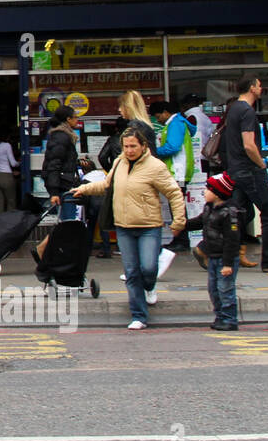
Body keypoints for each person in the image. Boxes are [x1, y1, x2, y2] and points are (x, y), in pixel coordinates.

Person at [71, 128, 186, 330]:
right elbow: (107, 185)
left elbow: (174, 193)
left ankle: (149, 287)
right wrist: (84, 188)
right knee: (132, 272)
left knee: (149, 268)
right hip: (123, 226)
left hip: (149, 226)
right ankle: (139, 316)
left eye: (133, 146)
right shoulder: (119, 163)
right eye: (126, 147)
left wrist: (179, 222)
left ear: (143, 146)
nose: (129, 150)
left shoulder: (155, 167)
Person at [223, 75, 268, 274]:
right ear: (252, 88)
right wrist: (261, 164)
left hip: (236, 170)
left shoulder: (234, 108)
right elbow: (249, 145)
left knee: (237, 214)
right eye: (259, 85)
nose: (261, 88)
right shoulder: (246, 111)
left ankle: (206, 248)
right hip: (250, 170)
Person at [184, 173, 245, 331]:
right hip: (212, 256)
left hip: (225, 259)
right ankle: (220, 316)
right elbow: (199, 222)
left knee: (225, 289)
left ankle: (230, 319)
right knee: (214, 290)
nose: (204, 192)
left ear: (218, 193)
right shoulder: (209, 208)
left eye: (208, 189)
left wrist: (228, 264)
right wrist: (182, 224)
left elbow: (232, 241)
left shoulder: (230, 213)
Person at [149, 99, 197, 252]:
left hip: (178, 171)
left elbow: (173, 147)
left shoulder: (175, 124)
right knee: (177, 206)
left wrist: (154, 153)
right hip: (179, 171)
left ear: (165, 112)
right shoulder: (177, 123)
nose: (158, 120)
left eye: (158, 116)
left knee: (177, 207)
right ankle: (181, 238)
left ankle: (181, 239)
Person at [97, 90, 158, 170]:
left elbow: (132, 156)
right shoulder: (144, 125)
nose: (119, 110)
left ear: (129, 107)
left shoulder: (134, 126)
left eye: (121, 106)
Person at [42, 106, 81, 222]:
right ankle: (66, 240)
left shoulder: (63, 136)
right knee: (68, 221)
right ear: (68, 119)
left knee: (67, 220)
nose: (77, 120)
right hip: (63, 185)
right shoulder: (61, 137)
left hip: (64, 182)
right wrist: (54, 192)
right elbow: (54, 164)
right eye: (75, 117)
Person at [180, 94, 215, 168]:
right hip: (204, 156)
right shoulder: (206, 117)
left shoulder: (191, 118)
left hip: (195, 158)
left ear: (186, 105)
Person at [0, 130, 20, 215]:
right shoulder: (7, 145)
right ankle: (9, 223)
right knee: (11, 201)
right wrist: (20, 162)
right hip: (6, 176)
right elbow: (13, 163)